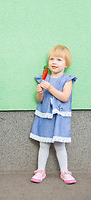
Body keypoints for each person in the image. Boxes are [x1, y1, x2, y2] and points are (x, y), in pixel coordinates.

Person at [30, 45, 77, 184]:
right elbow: (40, 100)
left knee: (59, 145)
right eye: (51, 59)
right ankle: (40, 171)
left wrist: (50, 88)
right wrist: (40, 92)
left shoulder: (67, 80)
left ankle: (64, 172)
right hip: (45, 116)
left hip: (59, 117)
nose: (54, 62)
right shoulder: (45, 79)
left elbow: (65, 97)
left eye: (59, 59)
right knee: (43, 144)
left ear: (66, 64)